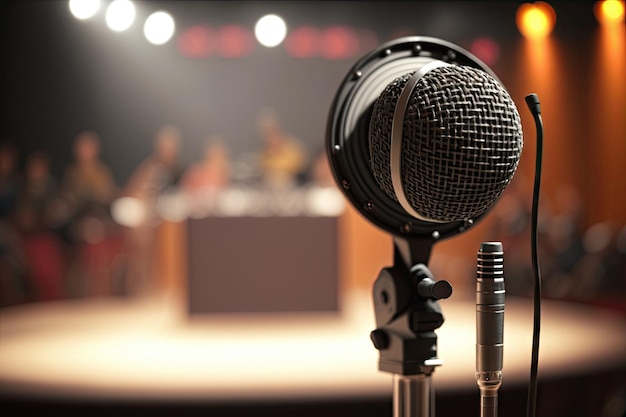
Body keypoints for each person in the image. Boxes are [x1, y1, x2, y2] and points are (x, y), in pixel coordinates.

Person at [51, 130, 120, 297]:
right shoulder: (72, 174)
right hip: (79, 223)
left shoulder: (102, 173)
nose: (86, 152)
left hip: (101, 221)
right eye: (83, 148)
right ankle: (81, 289)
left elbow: (108, 198)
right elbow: (68, 202)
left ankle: (104, 289)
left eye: (89, 148)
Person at [118, 124, 183, 295]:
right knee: (143, 242)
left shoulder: (179, 169)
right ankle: (144, 286)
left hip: (169, 220)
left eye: (172, 147)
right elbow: (134, 191)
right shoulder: (149, 168)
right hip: (148, 219)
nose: (169, 151)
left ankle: (171, 283)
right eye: (165, 147)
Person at [256, 108, 307, 191]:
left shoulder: (292, 148)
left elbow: (300, 165)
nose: (268, 134)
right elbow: (261, 168)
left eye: (271, 129)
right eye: (265, 131)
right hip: (270, 191)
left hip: (293, 188)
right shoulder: (264, 153)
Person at [180, 136, 231, 217]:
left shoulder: (225, 177)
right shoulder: (195, 174)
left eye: (221, 157)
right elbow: (184, 196)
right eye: (215, 156)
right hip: (195, 217)